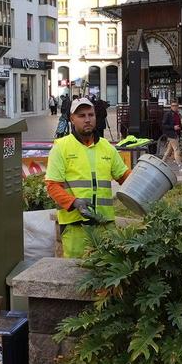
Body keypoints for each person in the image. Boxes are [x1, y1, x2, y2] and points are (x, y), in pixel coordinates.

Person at [45, 96, 128, 259]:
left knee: (107, 277)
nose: (87, 119)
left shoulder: (107, 147)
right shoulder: (61, 147)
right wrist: (74, 202)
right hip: (75, 227)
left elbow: (124, 176)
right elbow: (52, 185)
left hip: (105, 225)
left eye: (91, 115)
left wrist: (145, 182)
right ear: (72, 119)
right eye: (81, 116)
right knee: (77, 277)